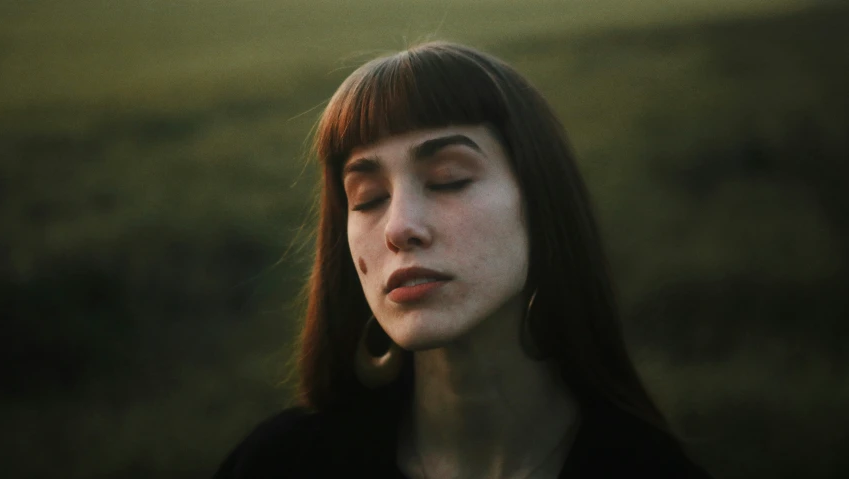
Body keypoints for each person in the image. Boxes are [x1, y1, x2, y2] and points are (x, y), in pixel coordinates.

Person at [214, 41, 712, 478]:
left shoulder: (648, 468)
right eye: (366, 197)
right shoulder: (279, 465)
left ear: (541, 203)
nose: (399, 227)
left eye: (448, 178)